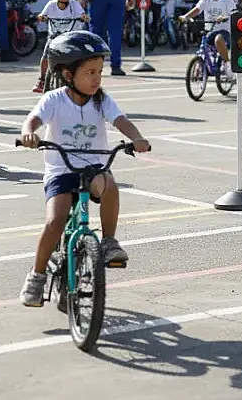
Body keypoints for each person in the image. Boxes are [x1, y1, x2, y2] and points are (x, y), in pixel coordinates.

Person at [17, 30, 150, 307]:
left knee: (110, 186)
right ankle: (36, 276)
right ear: (68, 74)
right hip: (61, 170)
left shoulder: (101, 99)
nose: (96, 79)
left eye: (100, 72)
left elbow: (121, 120)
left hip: (93, 167)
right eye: (90, 72)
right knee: (55, 222)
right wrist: (29, 133)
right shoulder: (54, 99)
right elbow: (33, 120)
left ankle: (109, 241)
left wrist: (136, 138)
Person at [33, 0, 89, 93]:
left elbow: (82, 14)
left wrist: (84, 17)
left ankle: (77, 79)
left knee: (78, 58)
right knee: (45, 57)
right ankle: (42, 79)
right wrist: (41, 17)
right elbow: (43, 15)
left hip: (69, 39)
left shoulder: (74, 5)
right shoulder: (51, 5)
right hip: (53, 38)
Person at [179, 0, 237, 77]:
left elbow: (233, 13)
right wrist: (186, 16)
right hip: (210, 30)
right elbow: (197, 9)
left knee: (218, 39)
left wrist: (224, 17)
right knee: (203, 46)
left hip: (224, 32)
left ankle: (226, 63)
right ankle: (201, 66)